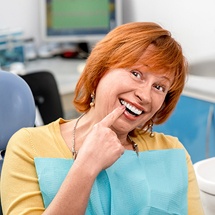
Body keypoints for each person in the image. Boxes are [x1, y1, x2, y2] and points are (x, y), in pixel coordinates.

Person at [1, 22, 204, 215]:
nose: (145, 95)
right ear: (100, 72)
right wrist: (86, 166)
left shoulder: (173, 153)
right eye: (136, 73)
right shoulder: (27, 146)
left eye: (159, 87)